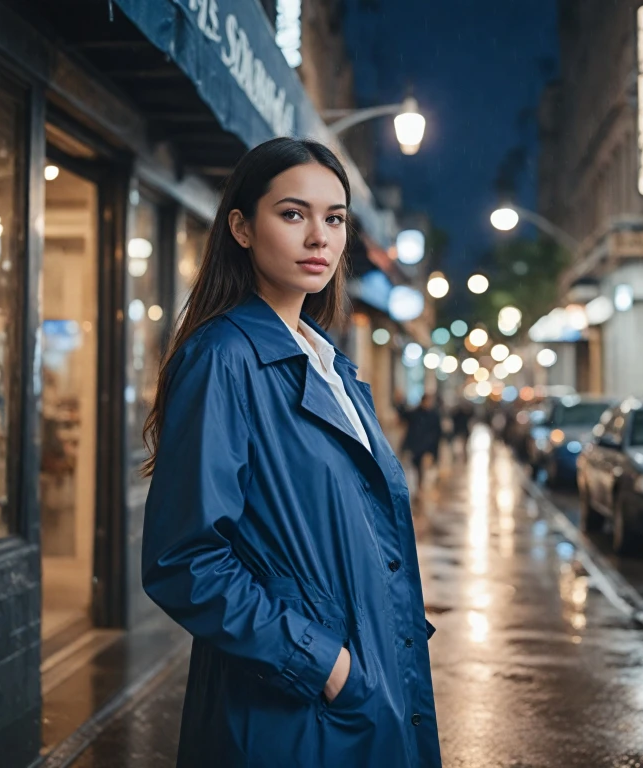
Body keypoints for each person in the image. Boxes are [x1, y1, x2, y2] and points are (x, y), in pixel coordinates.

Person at [140, 138, 441, 768]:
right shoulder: (223, 358)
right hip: (288, 713)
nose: (319, 239)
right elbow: (184, 559)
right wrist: (326, 666)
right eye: (293, 214)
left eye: (334, 219)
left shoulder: (331, 364)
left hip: (369, 696)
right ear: (242, 228)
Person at [402, 393, 443, 492]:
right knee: (416, 465)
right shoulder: (415, 413)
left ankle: (421, 484)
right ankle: (419, 483)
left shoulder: (434, 415)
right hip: (416, 444)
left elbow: (438, 431)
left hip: (428, 445)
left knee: (423, 465)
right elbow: (405, 418)